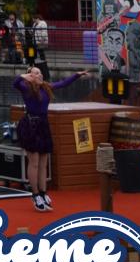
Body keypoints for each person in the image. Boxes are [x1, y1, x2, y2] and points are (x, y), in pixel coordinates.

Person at [14, 64, 91, 210]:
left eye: (40, 73)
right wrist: (22, 76)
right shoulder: (26, 88)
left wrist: (77, 75)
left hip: (43, 125)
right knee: (34, 162)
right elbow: (15, 83)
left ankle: (43, 193)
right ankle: (35, 195)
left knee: (44, 162)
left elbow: (63, 83)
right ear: (30, 77)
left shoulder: (46, 87)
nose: (39, 75)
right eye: (36, 73)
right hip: (31, 125)